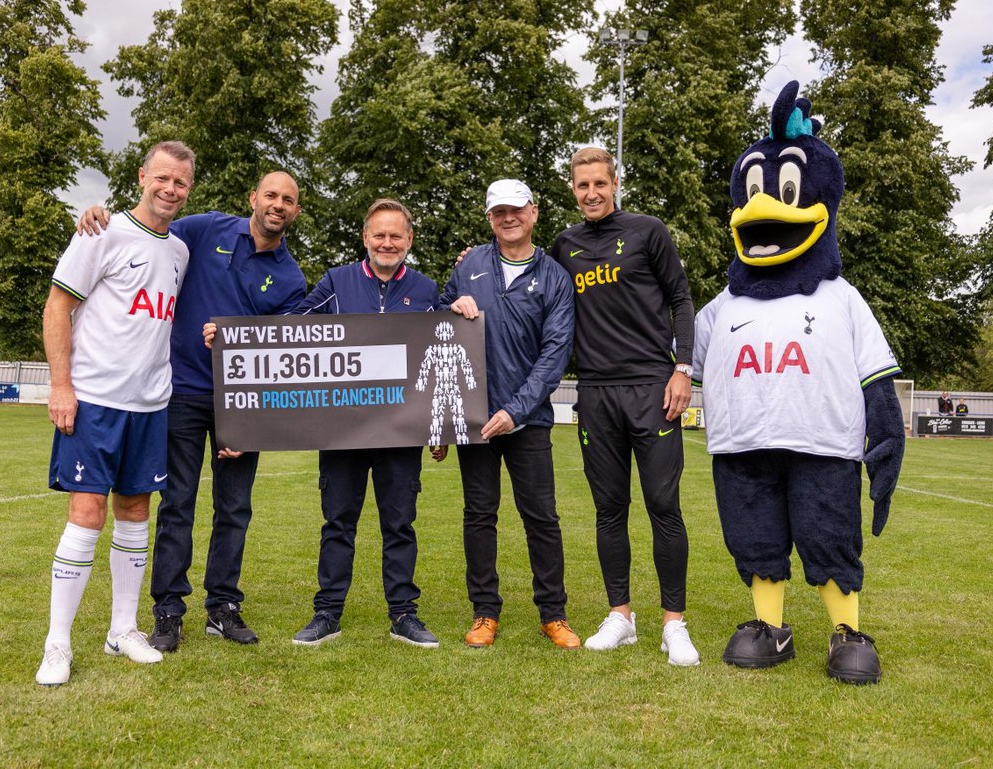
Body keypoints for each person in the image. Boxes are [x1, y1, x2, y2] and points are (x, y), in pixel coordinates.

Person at [77, 171, 307, 653]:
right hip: (179, 390)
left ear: (296, 211)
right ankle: (168, 610)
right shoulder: (206, 229)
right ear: (253, 198)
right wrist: (104, 216)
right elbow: (148, 230)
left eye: (288, 200)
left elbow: (281, 350)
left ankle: (222, 605)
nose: (278, 205)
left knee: (235, 508)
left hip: (241, 403)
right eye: (271, 195)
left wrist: (254, 404)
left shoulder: (291, 278)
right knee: (176, 503)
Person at [35, 141, 194, 687]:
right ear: (143, 175)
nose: (170, 190)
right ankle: (58, 643)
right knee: (86, 514)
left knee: (134, 511)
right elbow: (58, 305)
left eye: (181, 183)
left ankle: (123, 629)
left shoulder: (179, 252)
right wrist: (61, 386)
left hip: (150, 404)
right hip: (96, 400)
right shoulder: (101, 231)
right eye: (163, 178)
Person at [548, 147, 700, 665]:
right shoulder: (563, 245)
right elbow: (532, 289)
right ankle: (621, 617)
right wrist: (474, 263)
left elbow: (681, 299)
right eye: (581, 185)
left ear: (615, 183)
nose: (591, 193)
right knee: (609, 510)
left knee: (663, 506)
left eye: (599, 183)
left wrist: (683, 370)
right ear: (572, 189)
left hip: (652, 390)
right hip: (594, 393)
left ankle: (674, 625)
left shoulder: (647, 231)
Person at [288, 199, 442, 647]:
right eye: (380, 235)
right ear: (365, 237)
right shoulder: (337, 281)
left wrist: (440, 427)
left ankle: (403, 614)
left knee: (400, 524)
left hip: (401, 431)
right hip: (343, 430)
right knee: (337, 521)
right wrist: (236, 338)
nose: (387, 243)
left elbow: (444, 358)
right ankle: (327, 613)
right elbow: (292, 327)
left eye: (396, 235)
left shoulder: (427, 290)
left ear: (409, 240)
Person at [442, 179, 578, 649]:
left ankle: (553, 613)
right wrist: (450, 304)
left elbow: (554, 354)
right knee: (479, 514)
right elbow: (437, 332)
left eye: (516, 210)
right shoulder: (469, 267)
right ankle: (484, 612)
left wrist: (515, 411)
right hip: (475, 419)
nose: (508, 218)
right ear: (489, 218)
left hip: (528, 420)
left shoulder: (556, 277)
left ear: (534, 212)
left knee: (541, 516)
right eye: (498, 212)